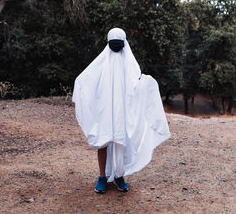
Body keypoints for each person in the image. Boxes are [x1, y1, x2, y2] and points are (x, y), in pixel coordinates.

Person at [72, 28, 170, 193]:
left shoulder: (129, 63)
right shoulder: (101, 62)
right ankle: (102, 177)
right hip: (104, 109)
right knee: (103, 140)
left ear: (124, 44)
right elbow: (87, 79)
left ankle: (119, 176)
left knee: (120, 142)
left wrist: (146, 84)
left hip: (122, 111)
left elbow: (135, 85)